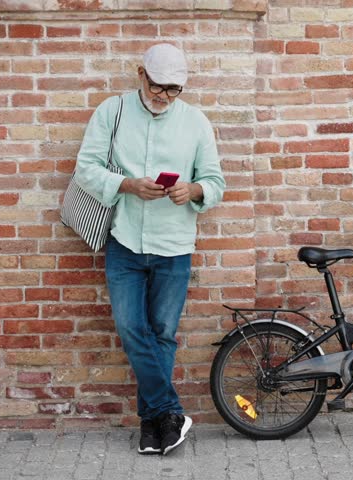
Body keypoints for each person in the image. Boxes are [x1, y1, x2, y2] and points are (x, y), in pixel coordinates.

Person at [73, 43, 225, 455]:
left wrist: (192, 189)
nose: (164, 96)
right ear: (141, 74)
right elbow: (86, 168)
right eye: (158, 86)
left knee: (161, 335)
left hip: (174, 246)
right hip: (124, 241)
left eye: (173, 89)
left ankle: (152, 427)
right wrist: (127, 185)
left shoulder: (195, 122)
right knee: (130, 329)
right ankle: (170, 411)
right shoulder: (112, 111)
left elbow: (215, 182)